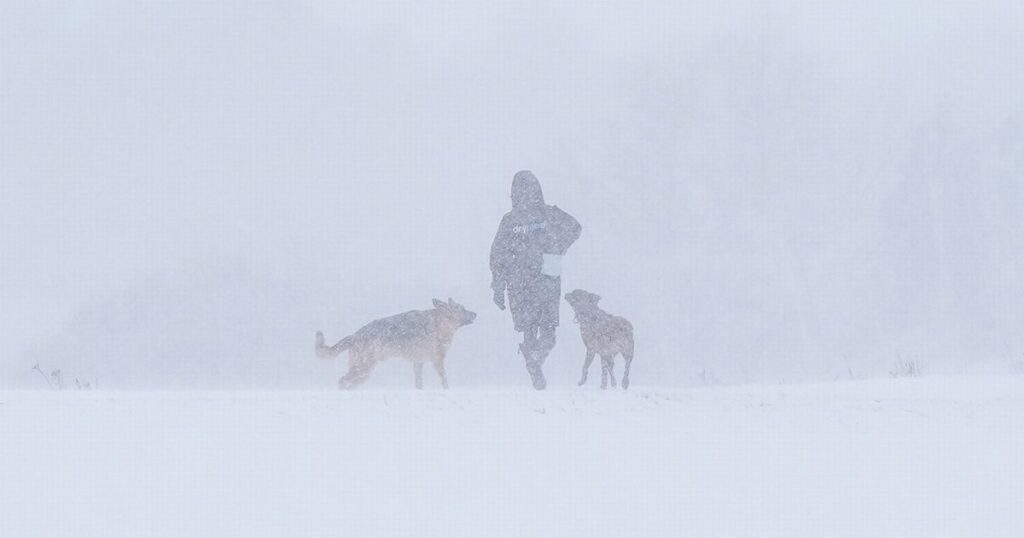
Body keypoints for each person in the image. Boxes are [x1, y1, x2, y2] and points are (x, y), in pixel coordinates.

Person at [490, 170, 581, 389]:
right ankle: (535, 361)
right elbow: (575, 228)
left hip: (521, 281)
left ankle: (533, 362)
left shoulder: (510, 220)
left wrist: (498, 287)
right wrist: (557, 249)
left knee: (531, 330)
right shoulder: (548, 214)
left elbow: (497, 255)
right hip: (545, 279)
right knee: (548, 332)